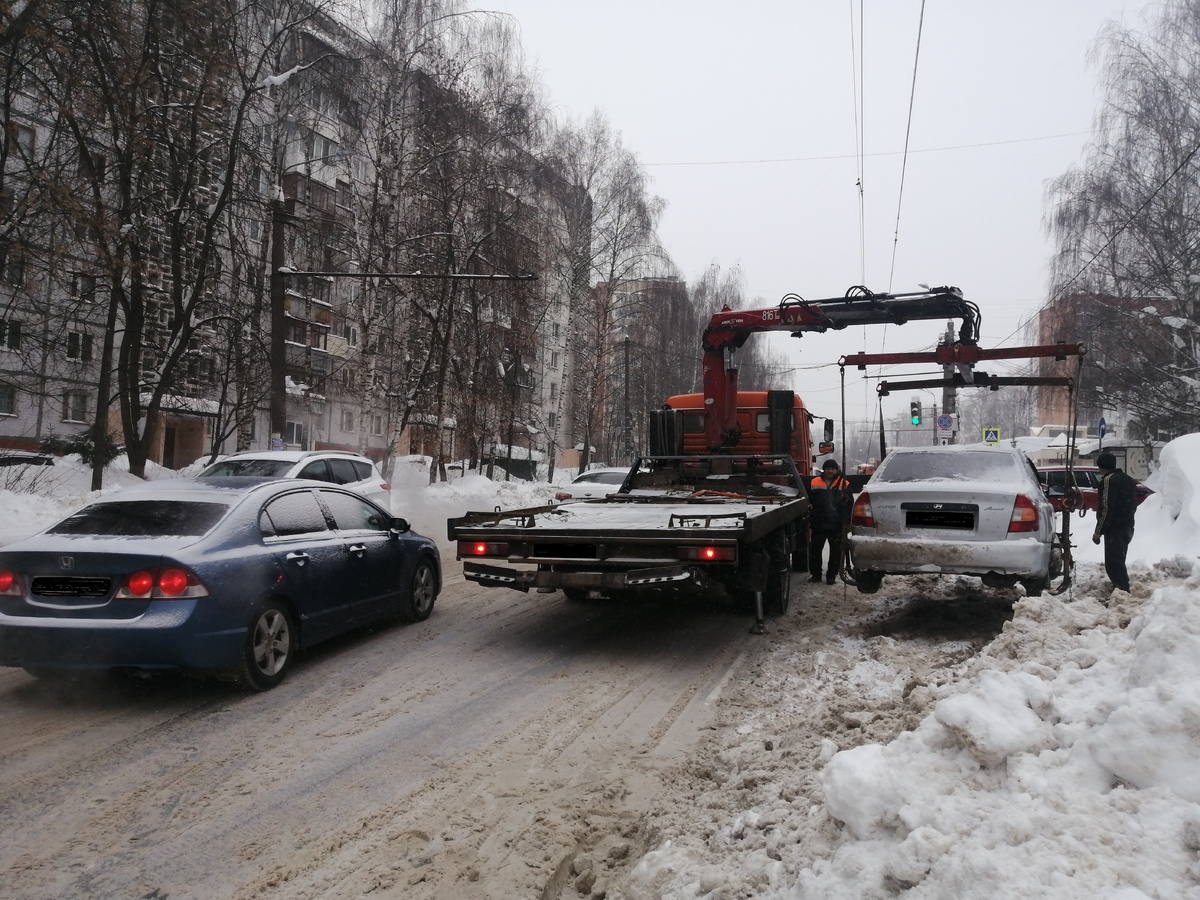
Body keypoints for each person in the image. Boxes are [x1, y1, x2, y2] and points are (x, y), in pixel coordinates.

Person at [1092, 451, 1137, 593]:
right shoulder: (1128, 479)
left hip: (1115, 528)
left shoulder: (1108, 481)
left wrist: (1098, 532)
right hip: (1128, 526)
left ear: (1101, 466)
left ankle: (1122, 591)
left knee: (1113, 564)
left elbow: (1106, 508)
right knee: (1119, 559)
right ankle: (1121, 589)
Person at [808, 458, 852, 585]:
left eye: (832, 469)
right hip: (818, 523)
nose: (830, 471)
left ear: (837, 470)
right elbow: (809, 500)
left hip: (836, 524)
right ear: (824, 469)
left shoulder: (844, 484)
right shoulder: (814, 482)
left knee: (836, 552)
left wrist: (847, 522)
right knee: (815, 551)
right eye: (828, 468)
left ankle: (831, 576)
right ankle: (816, 575)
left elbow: (849, 505)